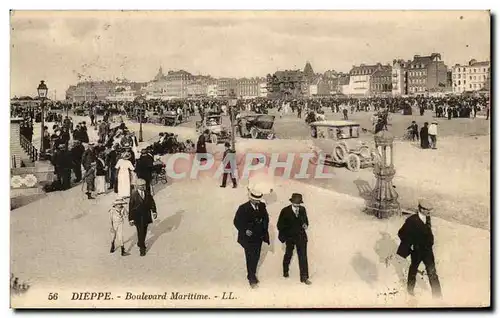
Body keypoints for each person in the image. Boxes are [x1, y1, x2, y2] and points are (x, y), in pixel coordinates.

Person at [397, 199, 442, 298]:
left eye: (429, 210)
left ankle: (437, 295)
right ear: (420, 209)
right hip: (417, 251)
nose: (429, 212)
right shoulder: (411, 220)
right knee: (413, 270)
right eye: (426, 210)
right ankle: (410, 290)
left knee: (432, 272)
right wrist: (411, 245)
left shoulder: (427, 217)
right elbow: (401, 233)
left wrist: (430, 241)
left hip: (428, 251)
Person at [233, 188, 270, 288]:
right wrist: (245, 230)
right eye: (255, 200)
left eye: (259, 200)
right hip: (248, 238)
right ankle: (251, 278)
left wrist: (263, 228)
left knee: (256, 257)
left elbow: (266, 219)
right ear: (250, 198)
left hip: (258, 237)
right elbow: (236, 221)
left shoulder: (262, 206)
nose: (257, 201)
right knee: (250, 258)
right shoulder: (243, 208)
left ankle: (252, 274)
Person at [277, 193, 311, 285]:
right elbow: (279, 225)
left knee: (303, 256)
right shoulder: (285, 211)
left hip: (301, 237)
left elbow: (306, 221)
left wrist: (305, 225)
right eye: (295, 204)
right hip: (290, 237)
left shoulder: (303, 210)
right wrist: (283, 237)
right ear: (291, 202)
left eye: (298, 204)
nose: (297, 206)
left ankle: (304, 277)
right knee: (288, 254)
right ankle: (285, 270)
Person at [128, 178, 157, 256]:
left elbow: (152, 202)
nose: (143, 187)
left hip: (146, 216)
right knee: (140, 231)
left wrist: (154, 211)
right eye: (141, 185)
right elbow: (131, 207)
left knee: (144, 231)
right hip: (137, 217)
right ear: (137, 186)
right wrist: (130, 219)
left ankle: (140, 242)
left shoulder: (147, 193)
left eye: (144, 185)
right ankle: (142, 248)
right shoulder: (134, 195)